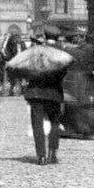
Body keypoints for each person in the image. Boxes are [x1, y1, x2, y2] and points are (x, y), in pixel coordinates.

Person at [21, 24, 68, 165]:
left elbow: (26, 68)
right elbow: (64, 72)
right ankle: (52, 153)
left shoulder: (35, 51)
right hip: (54, 93)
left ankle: (41, 156)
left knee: (37, 124)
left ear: (45, 36)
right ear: (57, 37)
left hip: (36, 92)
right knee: (54, 122)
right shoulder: (62, 53)